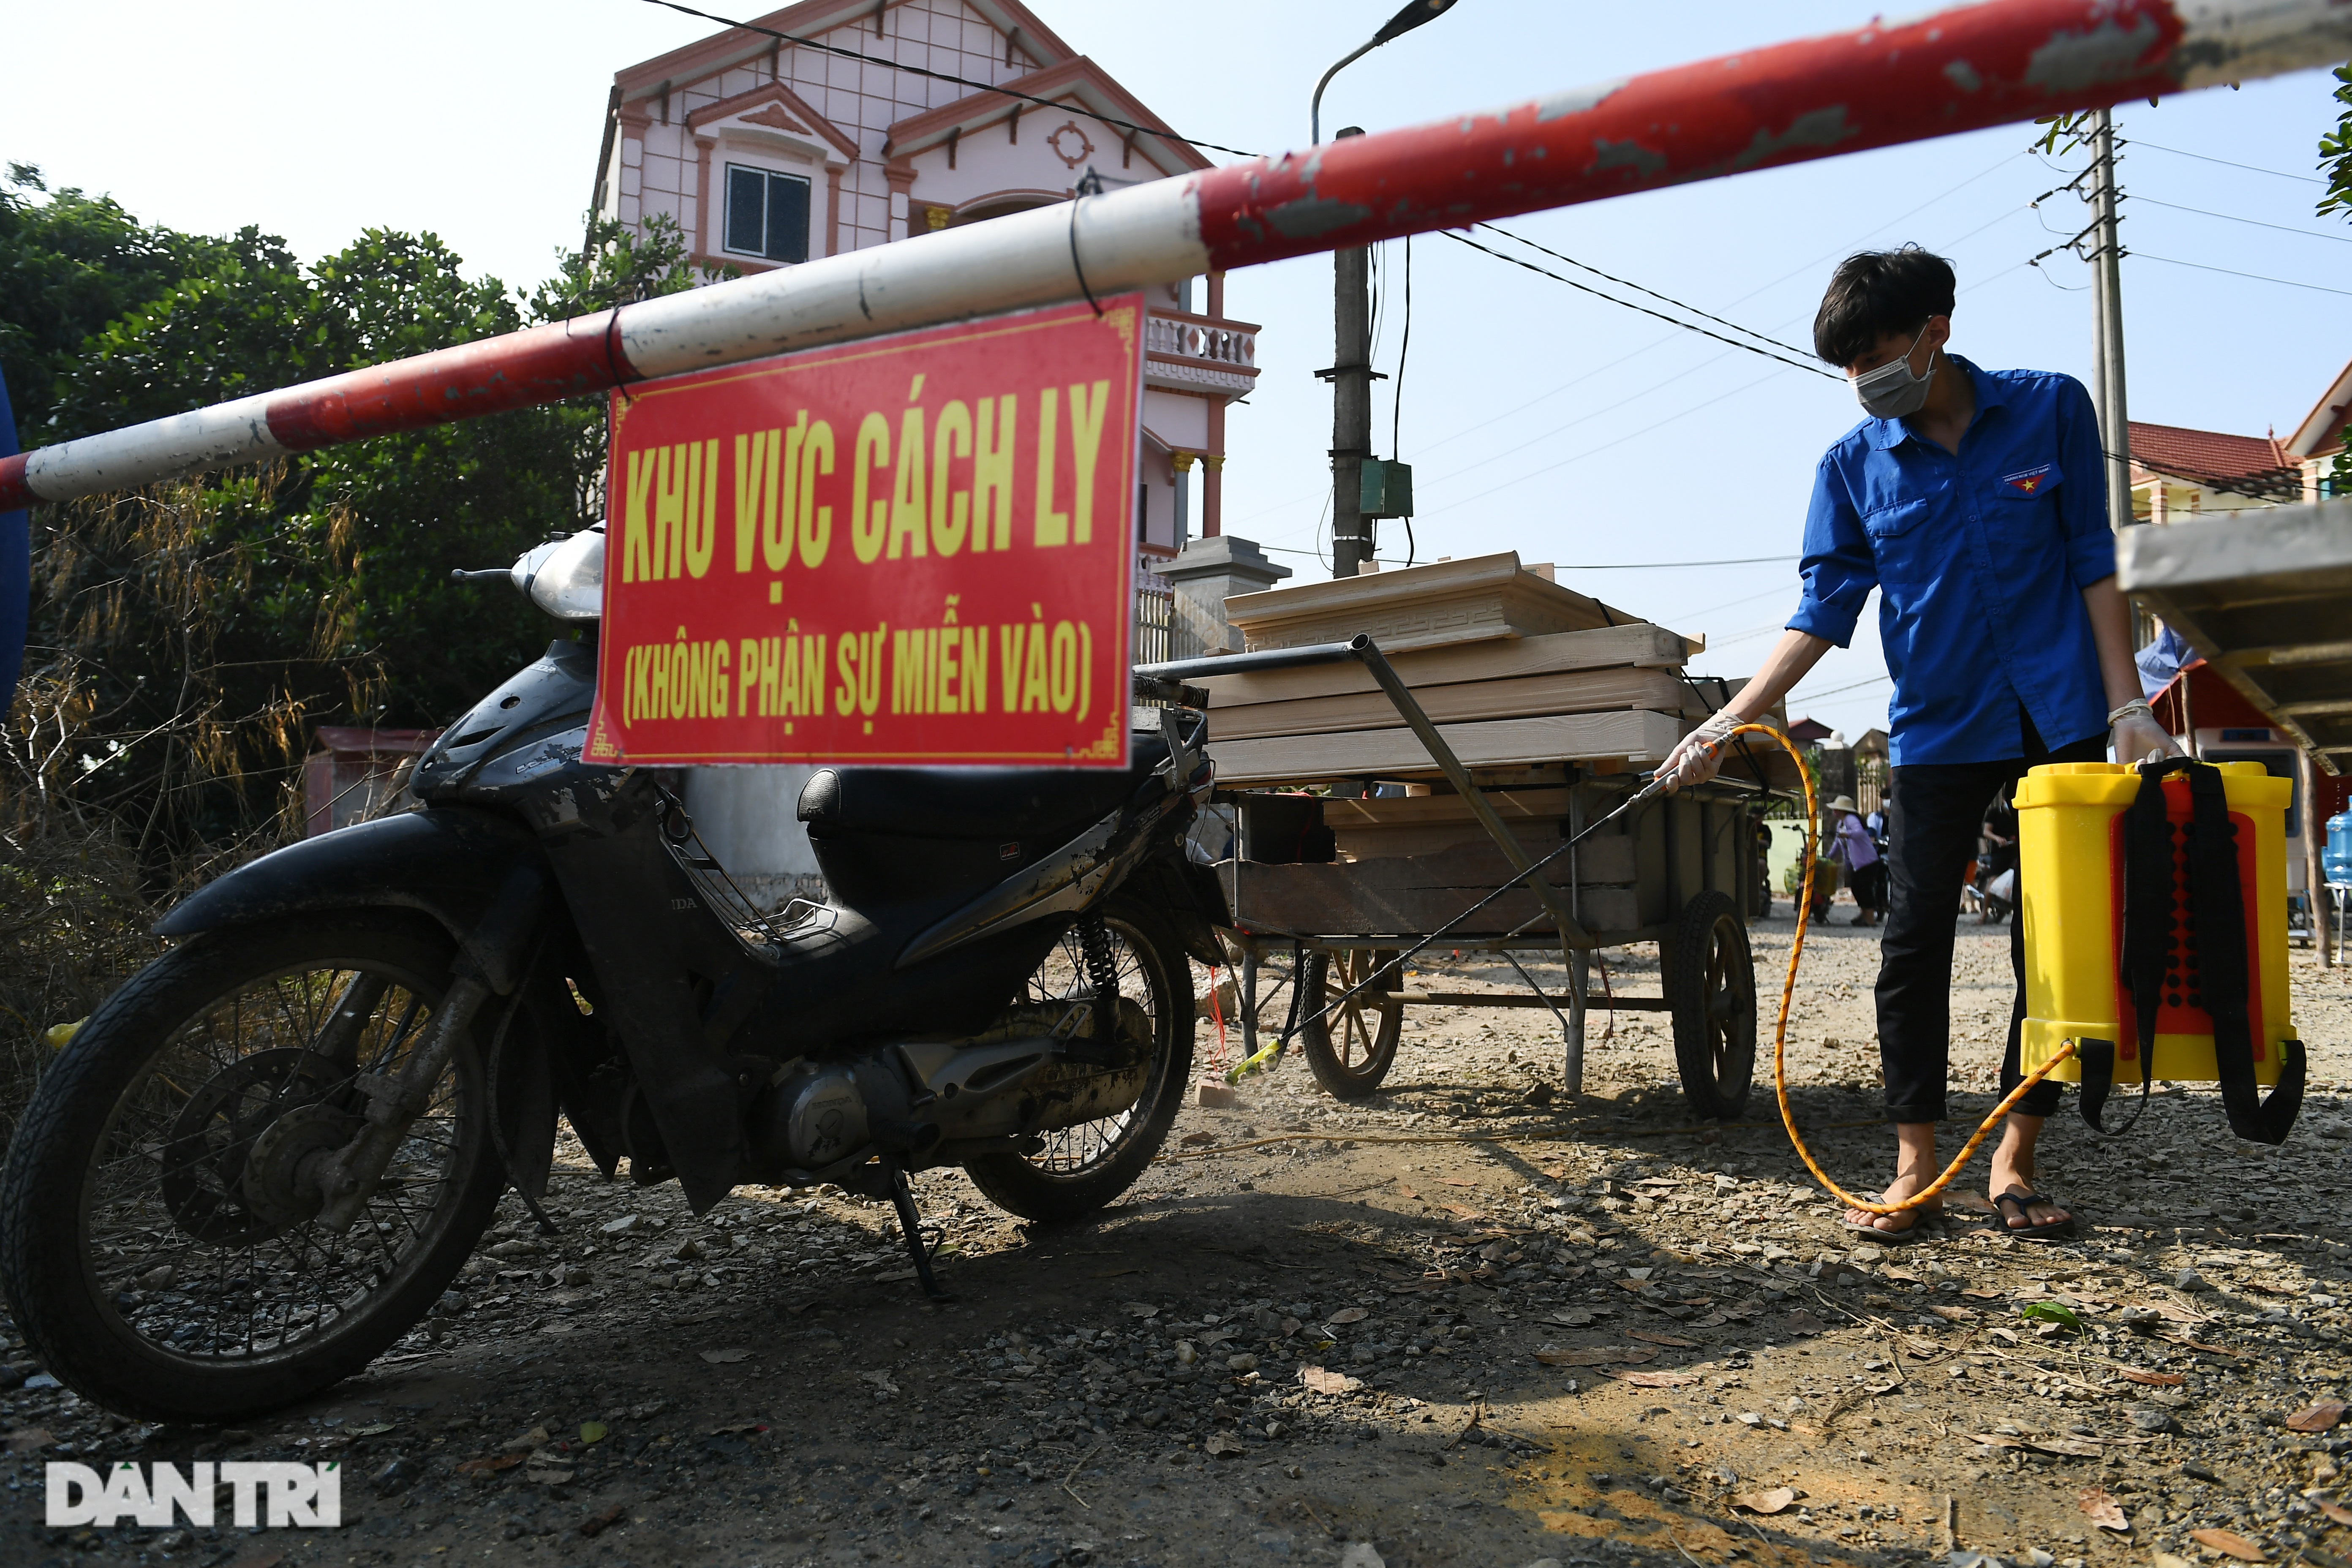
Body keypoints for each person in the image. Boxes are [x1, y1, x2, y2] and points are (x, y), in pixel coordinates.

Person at [1657, 246, 2180, 1242]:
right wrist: (1732, 717)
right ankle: (1914, 1166)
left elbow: (2091, 562)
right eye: (1845, 364)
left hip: (2064, 714)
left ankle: (2016, 1158)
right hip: (1939, 726)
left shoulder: (2048, 408)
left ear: (1934, 329)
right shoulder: (1850, 468)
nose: (1862, 378)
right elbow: (1823, 606)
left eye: (1875, 351)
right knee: (1910, 947)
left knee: (2058, 948)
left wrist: (2125, 707)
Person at [1825, 793, 1886, 926]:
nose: (1834, 811)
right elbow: (1837, 843)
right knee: (1857, 888)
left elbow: (1859, 832)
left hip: (1867, 862)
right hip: (1858, 864)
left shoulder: (1850, 819)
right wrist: (1828, 858)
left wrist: (1847, 834)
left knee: (1864, 889)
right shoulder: (1841, 824)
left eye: (1837, 809)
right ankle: (1864, 914)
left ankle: (1870, 918)